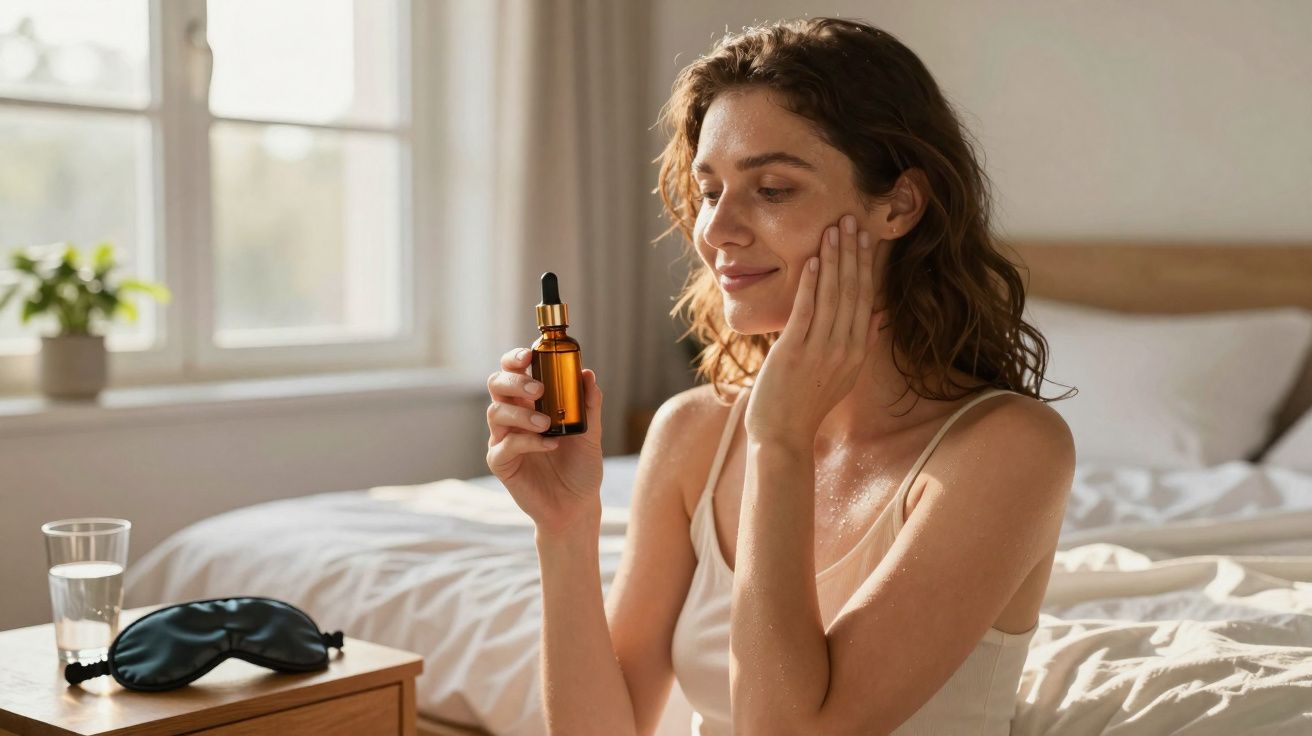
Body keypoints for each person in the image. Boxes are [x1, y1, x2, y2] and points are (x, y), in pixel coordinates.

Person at [486, 16, 1076, 736]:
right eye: (709, 191)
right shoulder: (694, 433)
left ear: (898, 205)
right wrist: (564, 528)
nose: (718, 230)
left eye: (771, 189)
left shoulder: (1008, 450)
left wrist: (781, 441)